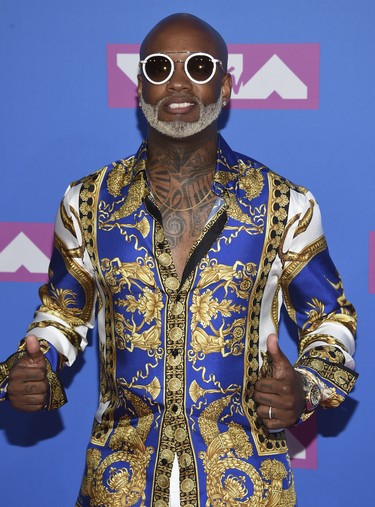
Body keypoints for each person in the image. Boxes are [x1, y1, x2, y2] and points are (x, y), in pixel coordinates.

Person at [0, 13, 357, 507]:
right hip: (118, 483)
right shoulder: (86, 202)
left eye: (201, 66)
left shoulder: (286, 204)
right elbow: (64, 312)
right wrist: (32, 364)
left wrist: (307, 386)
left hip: (246, 486)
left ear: (226, 87)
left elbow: (330, 318)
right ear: (140, 86)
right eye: (161, 67)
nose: (179, 82)